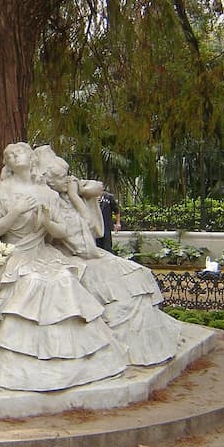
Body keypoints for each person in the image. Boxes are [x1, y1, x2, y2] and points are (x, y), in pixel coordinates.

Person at [0, 142, 127, 392]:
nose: (15, 156)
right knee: (32, 283)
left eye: (21, 152)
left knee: (63, 279)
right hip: (16, 254)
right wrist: (16, 212)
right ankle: (26, 361)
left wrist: (49, 223)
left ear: (32, 159)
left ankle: (70, 358)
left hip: (42, 251)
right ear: (6, 163)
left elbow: (61, 232)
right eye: (10, 154)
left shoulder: (48, 194)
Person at [34, 145, 179, 366]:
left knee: (138, 274)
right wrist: (75, 196)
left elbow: (96, 193)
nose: (70, 180)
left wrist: (77, 193)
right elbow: (85, 241)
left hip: (85, 251)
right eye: (64, 177)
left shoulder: (65, 195)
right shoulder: (54, 203)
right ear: (50, 181)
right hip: (72, 254)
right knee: (125, 283)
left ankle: (144, 342)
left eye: (68, 175)